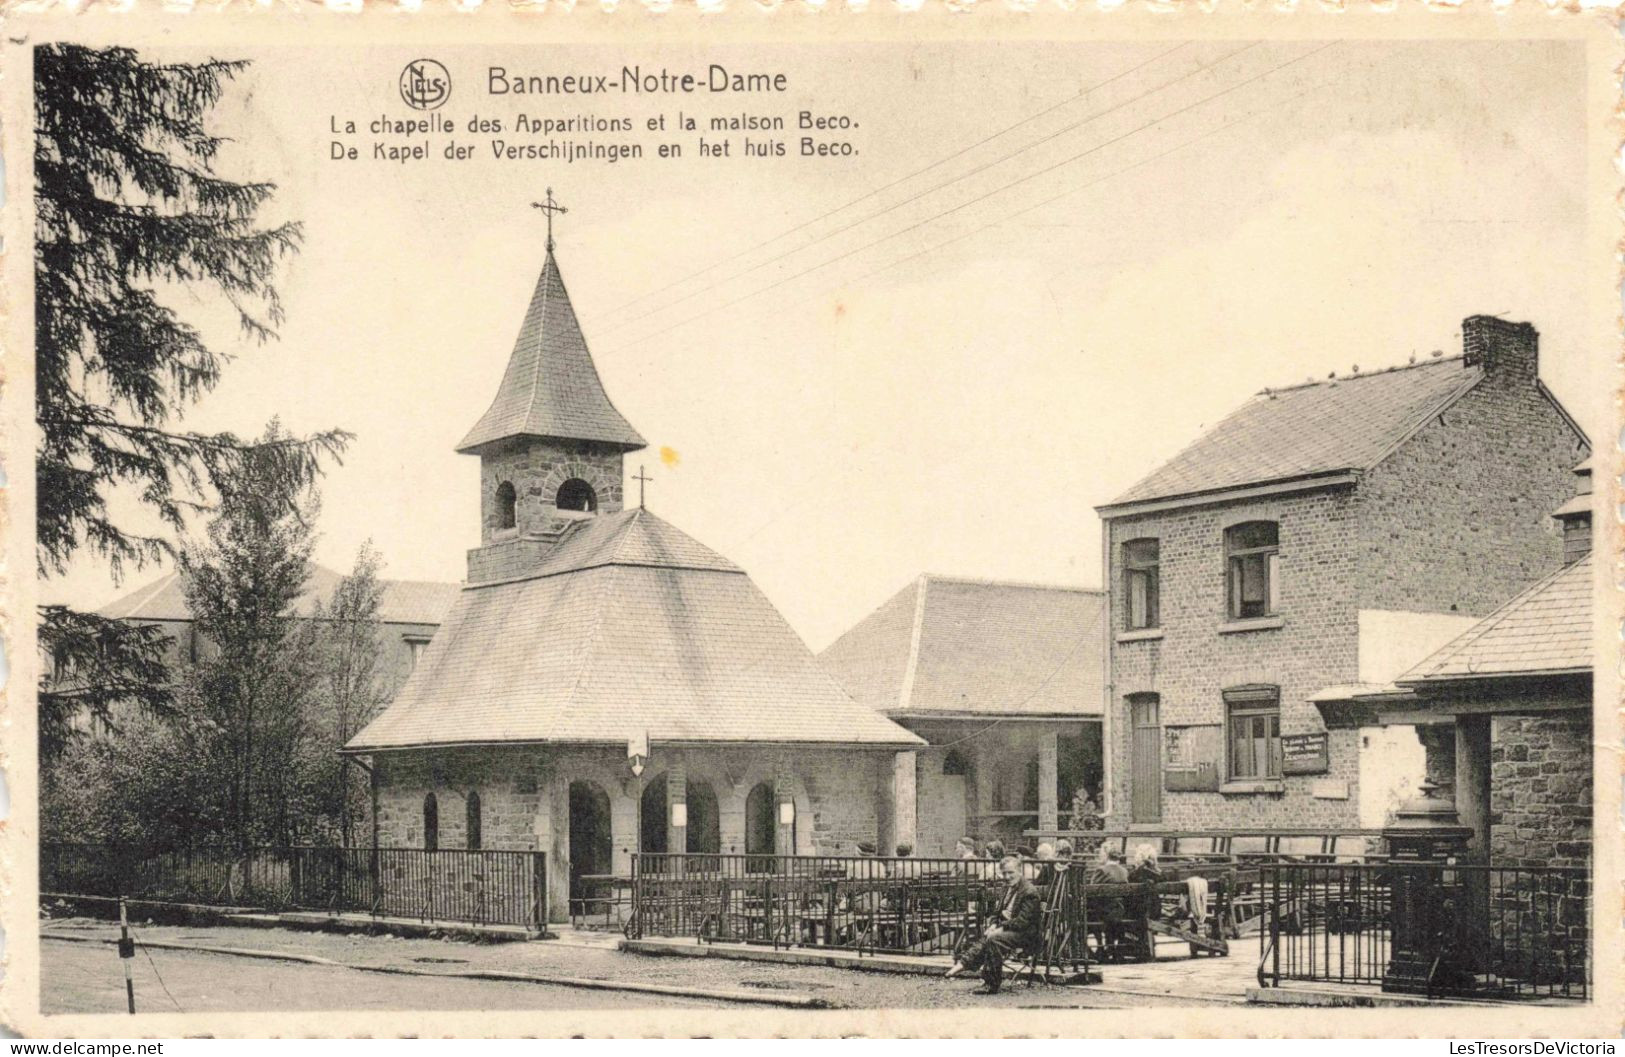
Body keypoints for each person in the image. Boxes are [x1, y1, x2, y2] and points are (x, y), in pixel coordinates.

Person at [944, 855, 1041, 994]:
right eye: (1004, 873)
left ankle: (991, 984)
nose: (1007, 876)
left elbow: (1023, 921)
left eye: (1011, 872)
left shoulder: (1029, 891)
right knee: (989, 936)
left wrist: (1001, 928)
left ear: (1020, 871)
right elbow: (997, 912)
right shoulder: (1007, 888)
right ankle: (963, 963)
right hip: (1012, 930)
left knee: (994, 940)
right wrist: (993, 924)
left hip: (1027, 935)